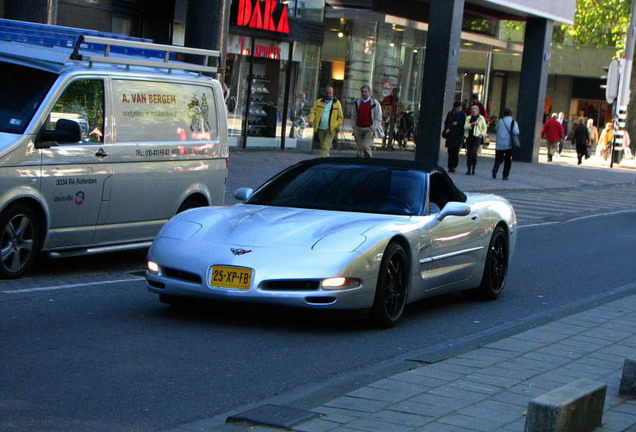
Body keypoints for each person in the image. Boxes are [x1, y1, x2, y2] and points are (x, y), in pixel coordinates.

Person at [308, 85, 344, 157]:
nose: (328, 95)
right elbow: (313, 112)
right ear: (324, 93)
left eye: (330, 93)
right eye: (327, 93)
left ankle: (323, 161)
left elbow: (340, 117)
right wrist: (311, 120)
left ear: (333, 93)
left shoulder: (337, 103)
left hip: (330, 129)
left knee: (325, 146)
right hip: (320, 128)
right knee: (323, 147)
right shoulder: (319, 102)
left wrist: (336, 125)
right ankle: (325, 158)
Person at [352, 85, 383, 158]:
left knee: (366, 146)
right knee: (360, 147)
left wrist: (373, 127)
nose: (364, 93)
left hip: (369, 128)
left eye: (366, 92)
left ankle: (368, 161)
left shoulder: (375, 104)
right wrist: (354, 126)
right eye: (362, 92)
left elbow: (378, 117)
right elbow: (353, 116)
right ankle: (359, 162)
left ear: (369, 92)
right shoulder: (357, 103)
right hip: (358, 128)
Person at [492, 107, 520, 180]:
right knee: (508, 161)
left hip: (499, 144)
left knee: (498, 159)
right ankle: (505, 175)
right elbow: (516, 132)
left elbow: (497, 129)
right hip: (509, 144)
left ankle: (495, 169)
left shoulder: (500, 121)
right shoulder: (513, 122)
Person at [463, 104, 487, 175]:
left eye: (474, 111)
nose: (473, 112)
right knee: (469, 153)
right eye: (472, 111)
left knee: (474, 152)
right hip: (469, 137)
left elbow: (484, 128)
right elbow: (465, 127)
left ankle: (474, 166)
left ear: (477, 111)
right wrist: (471, 124)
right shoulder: (468, 118)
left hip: (477, 137)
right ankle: (469, 169)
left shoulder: (481, 118)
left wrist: (481, 134)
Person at [443, 101, 466, 172]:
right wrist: (447, 128)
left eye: (461, 108)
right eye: (458, 108)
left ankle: (454, 164)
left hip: (458, 135)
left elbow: (464, 124)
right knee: (450, 150)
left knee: (455, 151)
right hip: (451, 134)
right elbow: (446, 122)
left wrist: (458, 123)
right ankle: (450, 167)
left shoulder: (463, 114)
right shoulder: (450, 114)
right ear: (455, 108)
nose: (460, 109)